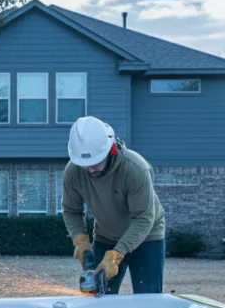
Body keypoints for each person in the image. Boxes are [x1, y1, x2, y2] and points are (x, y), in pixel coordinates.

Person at [61, 116, 166, 294]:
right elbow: (71, 210)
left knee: (148, 298)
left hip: (147, 237)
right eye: (84, 164)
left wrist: (117, 255)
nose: (89, 169)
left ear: (111, 151)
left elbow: (143, 218)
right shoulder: (73, 171)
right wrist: (80, 241)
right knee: (96, 294)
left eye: (95, 163)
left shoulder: (135, 169)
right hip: (106, 237)